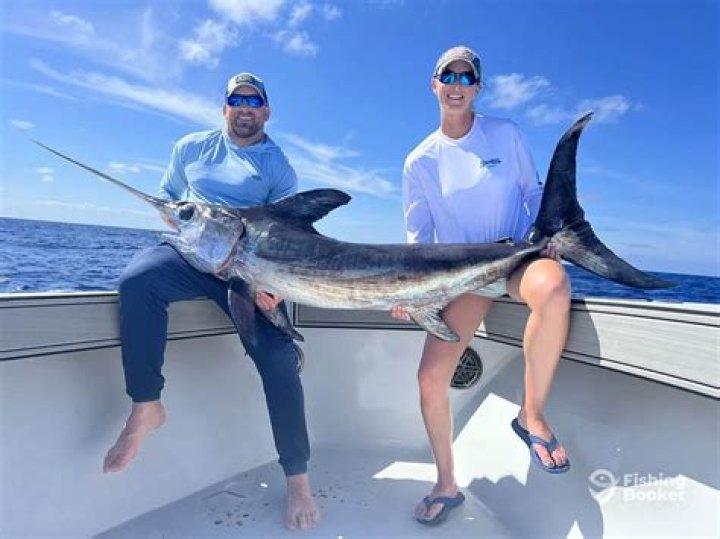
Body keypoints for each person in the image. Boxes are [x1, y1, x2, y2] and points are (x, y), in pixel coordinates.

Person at [103, 72, 320, 530]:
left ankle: (298, 479)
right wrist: (188, 225)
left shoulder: (278, 167)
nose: (245, 108)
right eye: (236, 100)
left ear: (266, 112)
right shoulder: (191, 148)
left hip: (249, 269)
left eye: (254, 101)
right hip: (190, 256)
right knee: (137, 282)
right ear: (224, 108)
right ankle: (146, 405)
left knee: (279, 358)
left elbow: (286, 235)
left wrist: (273, 286)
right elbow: (169, 201)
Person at [392, 46, 571, 526]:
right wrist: (409, 291)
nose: (456, 84)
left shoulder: (505, 134)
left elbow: (534, 193)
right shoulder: (419, 161)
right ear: (434, 85)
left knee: (554, 286)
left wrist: (548, 237)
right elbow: (418, 240)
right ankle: (446, 485)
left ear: (477, 87)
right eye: (447, 76)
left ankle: (531, 415)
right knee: (429, 379)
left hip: (514, 260)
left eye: (465, 76)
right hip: (462, 277)